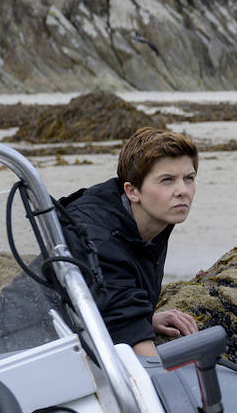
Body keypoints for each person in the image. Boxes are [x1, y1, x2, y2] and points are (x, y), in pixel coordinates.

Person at [60, 127, 201, 356]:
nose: (182, 191)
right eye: (167, 180)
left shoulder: (152, 219)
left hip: (78, 339)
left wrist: (144, 317)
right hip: (26, 352)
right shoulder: (98, 238)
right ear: (132, 191)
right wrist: (134, 326)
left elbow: (111, 300)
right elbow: (143, 357)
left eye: (189, 178)